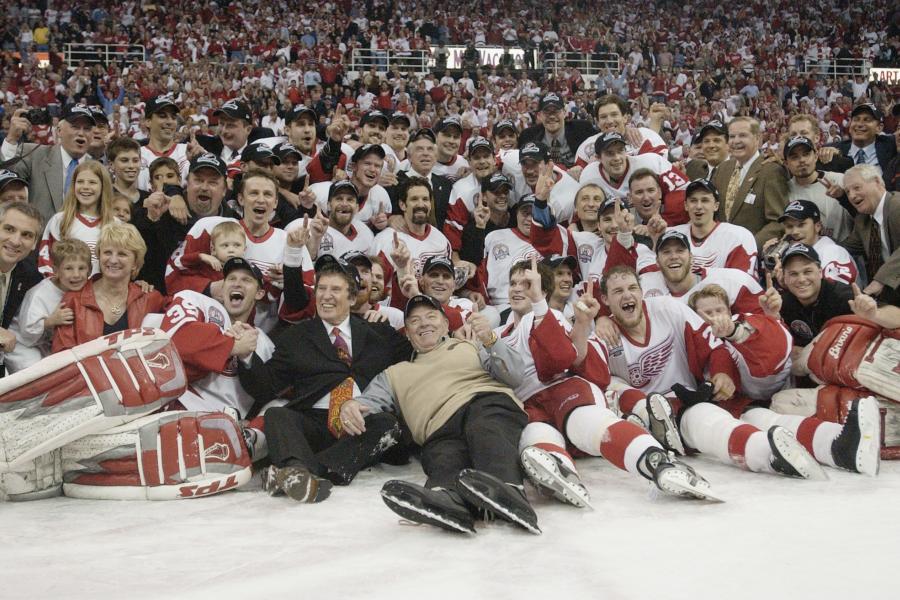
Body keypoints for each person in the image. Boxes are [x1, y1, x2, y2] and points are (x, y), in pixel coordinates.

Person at [502, 259, 719, 506]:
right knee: (534, 434)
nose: (518, 288)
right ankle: (561, 471)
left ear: (542, 290)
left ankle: (657, 461)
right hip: (531, 404)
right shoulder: (497, 334)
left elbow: (559, 360)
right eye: (513, 283)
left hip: (564, 392)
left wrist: (553, 311)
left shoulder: (550, 315)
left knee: (588, 423)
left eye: (526, 283)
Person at [597, 265, 826, 480]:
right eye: (618, 291)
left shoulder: (667, 308)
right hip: (662, 418)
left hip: (698, 401)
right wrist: (592, 319)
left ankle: (835, 443)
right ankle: (767, 455)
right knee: (710, 419)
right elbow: (593, 377)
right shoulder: (601, 335)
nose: (627, 295)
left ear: (642, 291)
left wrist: (722, 373)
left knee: (755, 416)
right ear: (606, 300)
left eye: (632, 288)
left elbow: (715, 347)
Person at [352, 294, 539, 535]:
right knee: (443, 455)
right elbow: (367, 403)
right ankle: (449, 501)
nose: (424, 323)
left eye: (431, 317)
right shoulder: (393, 374)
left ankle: (509, 490)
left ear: (445, 325)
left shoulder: (469, 346)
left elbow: (515, 376)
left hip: (483, 402)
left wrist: (491, 340)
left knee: (485, 428)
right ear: (407, 333)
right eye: (415, 321)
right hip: (438, 428)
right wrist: (352, 406)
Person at [238, 255, 411, 502]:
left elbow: (417, 353)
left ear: (352, 298)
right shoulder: (296, 337)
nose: (326, 296)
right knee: (277, 415)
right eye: (321, 288)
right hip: (315, 423)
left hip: (362, 422)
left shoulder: (380, 334)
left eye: (336, 289)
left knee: (387, 423)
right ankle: (298, 468)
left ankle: (304, 474)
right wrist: (245, 356)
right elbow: (265, 385)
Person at [686, 283, 879, 476]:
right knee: (759, 418)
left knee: (770, 413)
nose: (715, 317)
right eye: (707, 312)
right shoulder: (689, 340)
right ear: (694, 317)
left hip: (774, 390)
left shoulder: (745, 321)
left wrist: (737, 330)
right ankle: (824, 449)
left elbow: (772, 346)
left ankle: (840, 441)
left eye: (719, 310)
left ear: (729, 310)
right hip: (744, 407)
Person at [52, 223, 166, 352]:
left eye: (122, 254)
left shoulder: (150, 299)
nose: (113, 260)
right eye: (107, 252)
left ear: (135, 263)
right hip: (85, 372)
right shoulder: (73, 300)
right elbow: (61, 355)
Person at [132, 153, 233, 293]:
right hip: (164, 301)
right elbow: (138, 255)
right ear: (187, 183)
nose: (204, 187)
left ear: (224, 190)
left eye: (213, 182)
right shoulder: (163, 212)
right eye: (198, 180)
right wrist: (150, 219)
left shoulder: (234, 223)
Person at [6, 240, 91, 372]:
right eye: (68, 268)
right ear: (56, 270)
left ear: (89, 270)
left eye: (81, 268)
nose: (76, 275)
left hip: (46, 344)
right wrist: (50, 321)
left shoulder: (84, 290)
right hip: (22, 344)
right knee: (35, 372)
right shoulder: (40, 294)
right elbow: (27, 330)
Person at [1, 104, 97, 221]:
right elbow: (4, 178)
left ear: (92, 135)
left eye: (87, 128)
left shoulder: (99, 170)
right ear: (59, 131)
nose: (81, 133)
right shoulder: (32, 155)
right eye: (75, 127)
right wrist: (12, 139)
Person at [372, 176, 452, 309]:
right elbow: (375, 287)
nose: (421, 204)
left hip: (436, 309)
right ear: (402, 205)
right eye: (414, 199)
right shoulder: (385, 241)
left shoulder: (441, 240)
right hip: (398, 310)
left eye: (425, 199)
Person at [711, 117, 789, 248]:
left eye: (742, 135)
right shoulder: (722, 169)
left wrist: (748, 247)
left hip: (750, 256)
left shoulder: (771, 171)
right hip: (719, 251)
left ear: (757, 138)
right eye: (732, 136)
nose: (736, 141)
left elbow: (778, 222)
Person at [38, 160, 116, 277]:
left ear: (103, 186)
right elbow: (45, 259)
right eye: (80, 182)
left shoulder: (115, 224)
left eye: (92, 182)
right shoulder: (60, 220)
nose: (85, 187)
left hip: (101, 292)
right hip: (64, 292)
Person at [670, 179, 759, 276]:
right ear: (686, 205)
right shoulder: (672, 235)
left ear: (716, 206)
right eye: (693, 201)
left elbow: (739, 283)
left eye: (705, 200)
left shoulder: (737, 236)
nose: (699, 206)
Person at [840, 165, 900, 305]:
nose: (852, 196)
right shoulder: (863, 220)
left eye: (857, 188)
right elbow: (844, 248)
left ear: (877, 182)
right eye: (847, 192)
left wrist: (880, 280)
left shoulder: (897, 205)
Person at [778, 242, 854, 348]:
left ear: (820, 272)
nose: (801, 279)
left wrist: (873, 314)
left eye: (807, 271)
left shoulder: (845, 298)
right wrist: (771, 315)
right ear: (784, 278)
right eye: (793, 274)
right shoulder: (782, 304)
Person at [763, 200, 857, 286]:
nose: (795, 232)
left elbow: (836, 295)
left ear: (818, 226)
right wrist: (769, 264)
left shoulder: (833, 252)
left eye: (801, 225)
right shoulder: (788, 253)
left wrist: (789, 286)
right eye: (789, 226)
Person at [0, 202, 43, 377]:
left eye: (26, 235)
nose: (16, 241)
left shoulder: (31, 277)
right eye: (9, 229)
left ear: (34, 243)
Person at [782, 136, 852, 241]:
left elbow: (862, 218)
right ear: (786, 163)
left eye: (806, 154)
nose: (801, 160)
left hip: (842, 249)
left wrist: (843, 197)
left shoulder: (840, 180)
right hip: (804, 253)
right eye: (794, 157)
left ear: (815, 156)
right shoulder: (785, 190)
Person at [518, 93, 597, 168]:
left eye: (556, 111)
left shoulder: (583, 129)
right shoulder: (528, 137)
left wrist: (581, 167)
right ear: (539, 116)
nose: (552, 116)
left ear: (564, 113)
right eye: (547, 112)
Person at [137, 95, 192, 191]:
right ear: (148, 122)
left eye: (173, 117)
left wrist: (197, 159)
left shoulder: (189, 151)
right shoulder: (136, 157)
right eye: (162, 116)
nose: (169, 121)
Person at [826, 103, 896, 175]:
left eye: (867, 120)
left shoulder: (891, 145)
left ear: (879, 128)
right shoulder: (832, 150)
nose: (859, 124)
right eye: (856, 119)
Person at [107, 137, 144, 206]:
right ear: (111, 164)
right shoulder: (104, 195)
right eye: (124, 160)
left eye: (135, 160)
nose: (131, 166)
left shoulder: (148, 199)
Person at [431, 117, 470, 181]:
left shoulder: (466, 164)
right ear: (435, 136)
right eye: (447, 135)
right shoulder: (423, 164)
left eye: (456, 137)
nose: (451, 141)